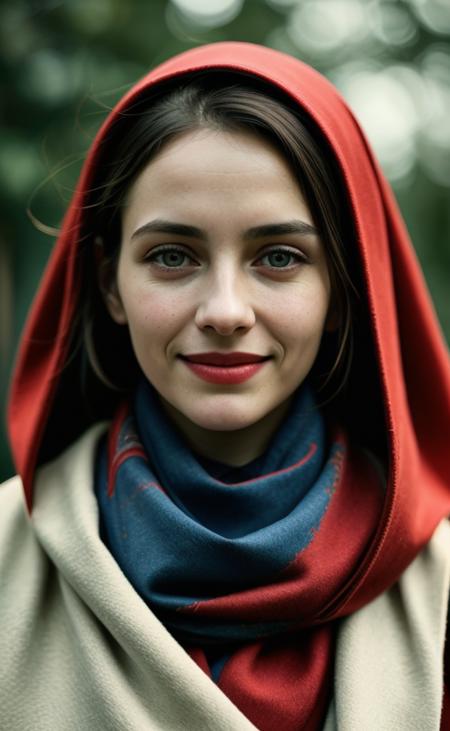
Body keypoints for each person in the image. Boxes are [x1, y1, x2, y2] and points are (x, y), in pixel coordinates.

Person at [1, 42, 449, 731]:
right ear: (107, 282)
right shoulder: (6, 562)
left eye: (279, 257)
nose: (226, 310)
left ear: (341, 290)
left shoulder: (442, 583)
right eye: (172, 256)